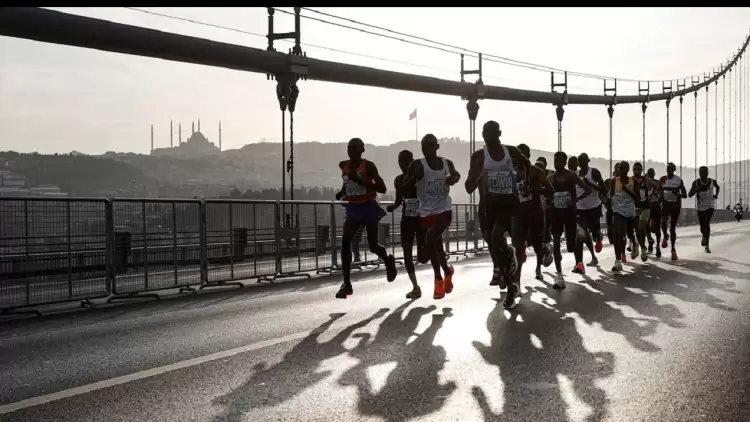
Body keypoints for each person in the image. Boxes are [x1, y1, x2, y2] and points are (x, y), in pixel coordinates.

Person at [466, 121, 530, 309]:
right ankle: (508, 273)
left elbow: (527, 164)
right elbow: (469, 184)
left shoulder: (510, 152)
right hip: (488, 206)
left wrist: (525, 182)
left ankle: (511, 286)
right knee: (494, 247)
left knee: (496, 237)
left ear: (499, 133)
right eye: (485, 133)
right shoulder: (478, 156)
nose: (488, 136)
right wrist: (474, 180)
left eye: (492, 132)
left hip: (507, 203)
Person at [334, 138, 397, 299]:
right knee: (345, 241)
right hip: (354, 208)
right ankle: (346, 284)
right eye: (349, 148)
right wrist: (342, 193)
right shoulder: (344, 165)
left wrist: (363, 182)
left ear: (362, 150)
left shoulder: (368, 166)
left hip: (368, 206)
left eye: (354, 148)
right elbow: (347, 181)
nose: (351, 150)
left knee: (373, 246)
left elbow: (382, 188)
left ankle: (388, 260)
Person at [403, 134, 460, 300]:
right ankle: (443, 275)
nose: (427, 149)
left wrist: (453, 179)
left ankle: (439, 278)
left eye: (430, 146)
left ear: (437, 147)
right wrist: (416, 177)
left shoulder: (446, 163)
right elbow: (404, 184)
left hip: (444, 209)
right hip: (425, 212)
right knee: (437, 247)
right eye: (424, 146)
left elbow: (456, 175)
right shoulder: (417, 165)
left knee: (430, 238)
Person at [548, 151, 592, 288]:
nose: (557, 164)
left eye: (560, 161)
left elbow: (587, 190)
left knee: (571, 247)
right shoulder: (551, 178)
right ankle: (559, 276)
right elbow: (547, 193)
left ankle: (579, 239)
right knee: (556, 244)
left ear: (565, 162)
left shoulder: (571, 176)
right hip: (556, 215)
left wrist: (575, 200)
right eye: (555, 161)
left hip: (569, 214)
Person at [512, 150, 555, 283]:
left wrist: (533, 190)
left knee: (537, 247)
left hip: (536, 213)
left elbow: (550, 190)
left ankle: (545, 250)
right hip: (519, 215)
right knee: (517, 248)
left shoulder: (536, 172)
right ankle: (516, 284)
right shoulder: (511, 171)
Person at [387, 150, 425, 298]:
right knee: (407, 255)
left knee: (423, 257)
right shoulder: (399, 180)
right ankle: (415, 287)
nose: (402, 165)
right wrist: (393, 207)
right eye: (400, 162)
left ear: (412, 161)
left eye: (405, 162)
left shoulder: (420, 177)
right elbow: (398, 200)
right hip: (407, 219)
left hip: (421, 219)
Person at [576, 153, 608, 266]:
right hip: (580, 208)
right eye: (580, 162)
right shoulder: (576, 174)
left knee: (594, 233)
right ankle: (580, 262)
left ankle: (598, 237)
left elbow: (604, 189)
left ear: (588, 161)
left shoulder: (594, 172)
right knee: (581, 233)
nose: (581, 164)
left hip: (594, 206)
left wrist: (590, 184)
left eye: (584, 161)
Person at [609, 161, 639, 272]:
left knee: (629, 233)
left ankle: (634, 242)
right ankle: (617, 262)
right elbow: (611, 195)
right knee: (618, 235)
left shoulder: (633, 181)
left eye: (623, 168)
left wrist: (627, 191)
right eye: (619, 168)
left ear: (627, 170)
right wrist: (609, 200)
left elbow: (638, 199)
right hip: (618, 211)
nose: (620, 170)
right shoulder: (614, 181)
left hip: (630, 212)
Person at [659, 162, 687, 261]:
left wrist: (678, 194)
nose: (669, 170)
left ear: (674, 170)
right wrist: (659, 199)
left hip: (675, 206)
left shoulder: (678, 180)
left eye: (671, 169)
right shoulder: (662, 179)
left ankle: (673, 250)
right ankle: (665, 236)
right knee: (663, 222)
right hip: (665, 205)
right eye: (668, 168)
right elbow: (659, 191)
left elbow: (685, 195)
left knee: (672, 228)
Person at [688, 166, 720, 253]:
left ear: (707, 173)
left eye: (704, 172)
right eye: (701, 172)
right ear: (699, 173)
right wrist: (696, 190)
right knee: (702, 227)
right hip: (700, 207)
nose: (703, 174)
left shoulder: (713, 181)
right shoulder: (696, 183)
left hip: (710, 206)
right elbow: (689, 194)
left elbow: (718, 187)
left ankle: (707, 246)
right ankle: (703, 235)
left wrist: (716, 194)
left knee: (707, 223)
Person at [632, 162, 657, 262]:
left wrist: (651, 195)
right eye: (635, 169)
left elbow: (655, 187)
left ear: (641, 170)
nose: (637, 171)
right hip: (634, 208)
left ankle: (641, 247)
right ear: (633, 170)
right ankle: (642, 248)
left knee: (641, 226)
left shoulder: (646, 180)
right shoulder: (630, 180)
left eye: (639, 169)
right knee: (638, 230)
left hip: (645, 207)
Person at [646, 168, 661, 257]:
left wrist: (658, 202)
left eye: (652, 173)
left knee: (657, 228)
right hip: (648, 206)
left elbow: (661, 194)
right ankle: (650, 242)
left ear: (654, 174)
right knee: (646, 226)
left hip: (656, 206)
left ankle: (658, 246)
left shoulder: (658, 182)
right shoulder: (645, 182)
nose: (651, 175)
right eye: (649, 174)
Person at [604, 163, 619, 245]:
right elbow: (601, 192)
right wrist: (604, 201)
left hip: (621, 208)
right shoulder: (608, 181)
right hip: (610, 207)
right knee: (610, 226)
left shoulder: (626, 181)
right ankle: (612, 238)